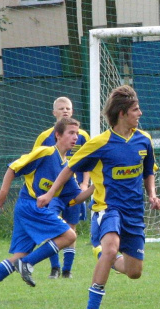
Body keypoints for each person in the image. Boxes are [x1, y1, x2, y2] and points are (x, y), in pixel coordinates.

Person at [37, 85, 160, 309]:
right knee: (111, 248)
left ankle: (102, 254)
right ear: (122, 113)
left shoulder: (144, 140)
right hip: (108, 208)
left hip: (134, 212)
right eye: (136, 109)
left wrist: (152, 195)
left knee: (134, 272)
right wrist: (50, 194)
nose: (140, 114)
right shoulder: (100, 143)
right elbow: (69, 168)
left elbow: (149, 172)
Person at [0, 117, 85, 302]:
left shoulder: (67, 167)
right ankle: (28, 264)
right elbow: (14, 168)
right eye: (71, 133)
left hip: (29, 209)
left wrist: (100, 186)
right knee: (69, 236)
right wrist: (3, 192)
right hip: (30, 205)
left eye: (77, 133)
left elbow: (77, 197)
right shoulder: (45, 152)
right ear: (57, 135)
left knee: (19, 255)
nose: (75, 137)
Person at [34, 96, 91, 279]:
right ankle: (54, 268)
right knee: (54, 226)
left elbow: (88, 162)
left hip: (73, 190)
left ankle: (67, 270)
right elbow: (35, 161)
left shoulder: (82, 136)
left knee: (71, 227)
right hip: (53, 191)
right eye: (61, 108)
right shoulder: (45, 137)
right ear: (54, 113)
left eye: (68, 108)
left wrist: (84, 184)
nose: (65, 111)